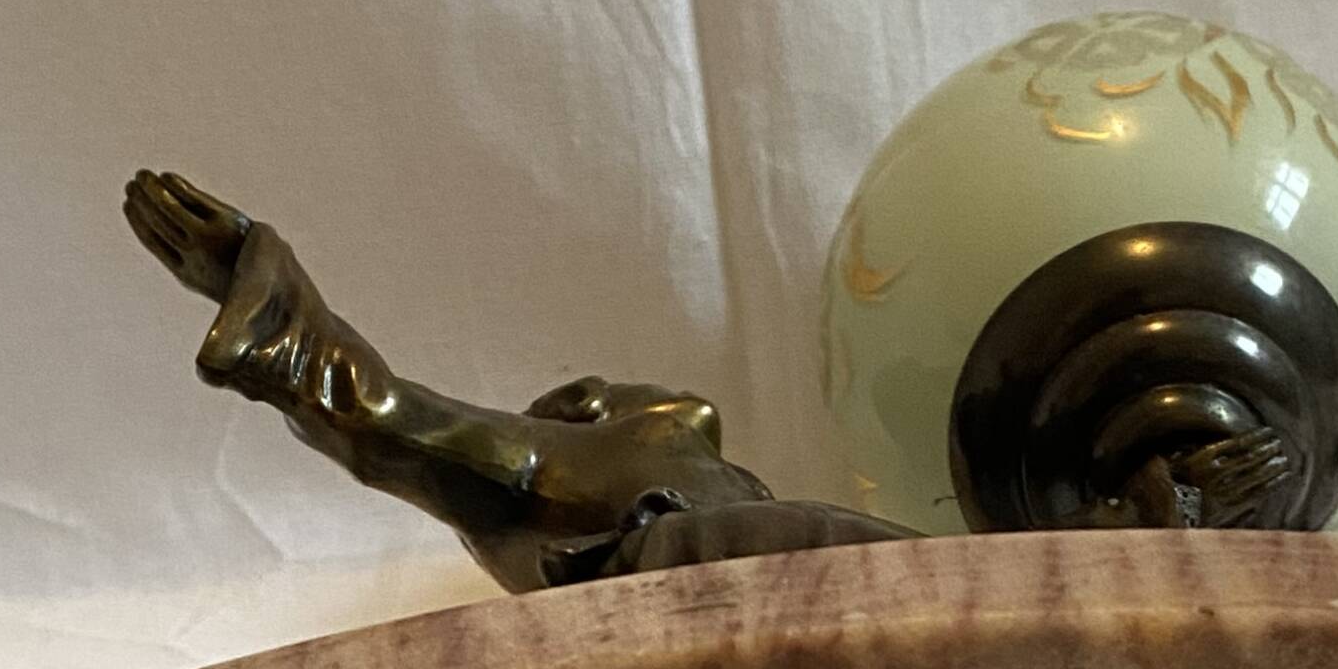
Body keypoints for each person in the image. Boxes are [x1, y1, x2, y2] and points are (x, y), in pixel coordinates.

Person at [125, 170, 906, 591]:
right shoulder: (542, 459)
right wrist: (266, 284)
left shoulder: (684, 448)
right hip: (697, 571)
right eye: (586, 393)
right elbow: (381, 415)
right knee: (957, 583)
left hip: (752, 574)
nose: (603, 384)